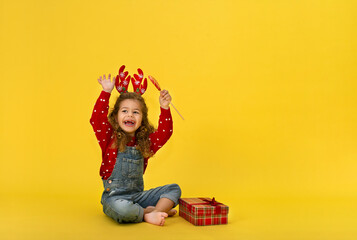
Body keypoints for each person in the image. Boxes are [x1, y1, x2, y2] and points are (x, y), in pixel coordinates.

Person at [90, 72, 181, 226]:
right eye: (124, 111)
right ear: (116, 116)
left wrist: (164, 108)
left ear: (142, 119)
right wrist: (106, 92)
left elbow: (165, 133)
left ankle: (155, 211)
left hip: (138, 197)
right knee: (122, 210)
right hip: (114, 198)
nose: (130, 115)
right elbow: (97, 119)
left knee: (174, 189)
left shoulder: (144, 142)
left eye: (135, 112)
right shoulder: (109, 138)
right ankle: (147, 213)